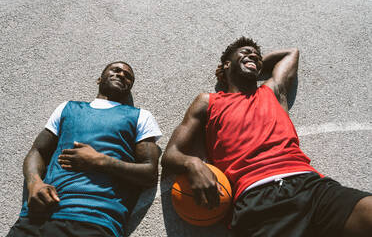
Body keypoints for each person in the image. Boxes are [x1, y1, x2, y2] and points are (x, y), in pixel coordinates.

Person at [161, 37, 372, 237]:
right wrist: (193, 164)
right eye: (245, 52)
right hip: (256, 201)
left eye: (256, 55)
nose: (253, 56)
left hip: (309, 185)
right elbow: (170, 156)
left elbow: (291, 53)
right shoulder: (208, 102)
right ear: (226, 65)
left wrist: (254, 62)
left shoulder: (271, 90)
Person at [7, 61, 162, 237]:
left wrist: (100, 161)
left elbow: (149, 173)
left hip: (94, 221)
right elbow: (37, 152)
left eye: (128, 77)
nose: (121, 75)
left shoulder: (140, 116)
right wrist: (34, 183)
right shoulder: (67, 108)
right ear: (99, 79)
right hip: (37, 217)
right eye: (116, 70)